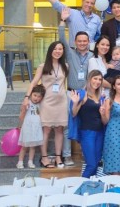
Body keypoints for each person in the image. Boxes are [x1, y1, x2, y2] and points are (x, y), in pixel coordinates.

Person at [26, 39, 68, 169]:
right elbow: (34, 82)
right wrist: (27, 97)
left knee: (60, 129)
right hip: (47, 102)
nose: (58, 51)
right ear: (50, 51)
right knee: (46, 130)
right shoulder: (43, 66)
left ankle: (58, 157)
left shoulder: (65, 66)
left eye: (60, 49)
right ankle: (44, 158)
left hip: (61, 102)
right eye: (55, 49)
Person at [34, 0, 102, 47]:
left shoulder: (97, 19)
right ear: (82, 2)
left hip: (90, 52)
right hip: (74, 51)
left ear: (94, 5)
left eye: (92, 3)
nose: (89, 5)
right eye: (87, 2)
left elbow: (99, 36)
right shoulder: (72, 13)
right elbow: (58, 5)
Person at [70, 70, 106, 178]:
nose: (97, 81)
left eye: (100, 79)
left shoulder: (101, 97)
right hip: (87, 133)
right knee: (91, 165)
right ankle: (81, 186)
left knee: (97, 163)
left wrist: (103, 113)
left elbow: (103, 119)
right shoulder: (82, 94)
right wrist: (75, 103)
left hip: (100, 132)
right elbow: (73, 113)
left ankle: (92, 186)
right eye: (95, 78)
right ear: (89, 79)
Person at [100, 75, 120, 175]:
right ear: (114, 87)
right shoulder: (109, 100)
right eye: (119, 84)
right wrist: (102, 114)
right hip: (114, 135)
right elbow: (105, 121)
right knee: (116, 165)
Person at [16, 85, 45, 169]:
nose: (36, 98)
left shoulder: (40, 105)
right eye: (35, 95)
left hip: (36, 128)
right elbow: (21, 116)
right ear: (31, 94)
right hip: (27, 127)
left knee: (33, 146)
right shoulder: (27, 103)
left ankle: (30, 161)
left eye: (39, 96)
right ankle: (20, 162)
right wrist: (20, 125)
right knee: (24, 146)